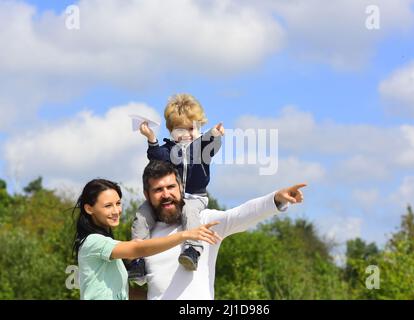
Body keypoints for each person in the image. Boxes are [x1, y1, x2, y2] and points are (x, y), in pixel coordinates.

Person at [132, 160, 307, 300]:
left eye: (171, 187)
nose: (166, 194)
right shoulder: (144, 236)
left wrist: (276, 199)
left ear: (181, 188)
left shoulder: (203, 221)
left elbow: (240, 215)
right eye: (158, 190)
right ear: (147, 195)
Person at [73, 178, 221, 300]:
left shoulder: (109, 248)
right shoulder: (92, 242)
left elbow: (123, 294)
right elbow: (136, 250)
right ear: (89, 208)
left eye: (118, 203)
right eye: (108, 206)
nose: (116, 211)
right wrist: (185, 235)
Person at [136, 93, 224, 271]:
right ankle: (138, 258)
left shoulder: (200, 148)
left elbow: (210, 145)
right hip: (169, 199)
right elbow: (155, 158)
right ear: (171, 131)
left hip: (194, 197)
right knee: (142, 213)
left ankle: (192, 249)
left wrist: (215, 135)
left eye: (192, 129)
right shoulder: (167, 150)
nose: (187, 135)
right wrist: (151, 139)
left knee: (190, 210)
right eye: (181, 130)